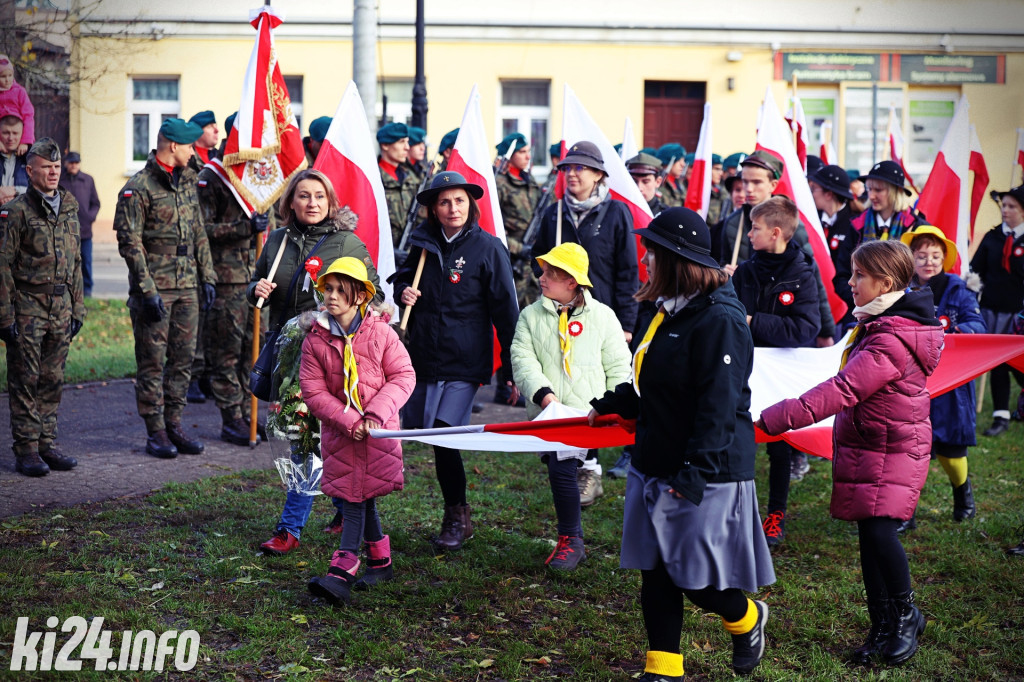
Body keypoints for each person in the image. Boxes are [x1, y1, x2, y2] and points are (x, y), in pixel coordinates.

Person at [589, 207, 774, 680]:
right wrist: (615, 403)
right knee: (656, 571)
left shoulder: (720, 321)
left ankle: (748, 618)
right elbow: (650, 377)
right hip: (655, 460)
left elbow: (717, 408)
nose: (645, 259)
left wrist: (692, 477)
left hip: (704, 471)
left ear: (675, 259)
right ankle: (664, 668)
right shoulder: (665, 308)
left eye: (652, 251)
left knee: (697, 580)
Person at [757, 240, 943, 667]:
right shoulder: (877, 324)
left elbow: (843, 389)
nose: (850, 282)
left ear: (887, 282)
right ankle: (881, 625)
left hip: (892, 447)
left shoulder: (891, 338)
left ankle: (906, 614)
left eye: (860, 275)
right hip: (871, 446)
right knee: (868, 536)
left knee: (880, 533)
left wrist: (779, 416)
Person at [249, 168, 384, 555]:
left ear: (331, 202)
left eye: (319, 197)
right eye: (304, 196)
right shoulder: (276, 240)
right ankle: (343, 509)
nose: (312, 203)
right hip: (288, 356)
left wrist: (329, 315)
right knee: (306, 438)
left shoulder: (345, 243)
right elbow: (259, 288)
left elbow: (372, 296)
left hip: (332, 357)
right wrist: (254, 289)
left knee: (308, 442)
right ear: (291, 201)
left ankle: (289, 528)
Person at [392, 171, 520, 551]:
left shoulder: (489, 248)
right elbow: (401, 279)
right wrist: (403, 291)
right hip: (423, 356)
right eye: (445, 202)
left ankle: (457, 516)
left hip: (465, 360)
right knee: (428, 437)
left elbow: (506, 312)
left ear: (471, 204)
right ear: (433, 208)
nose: (453, 208)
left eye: (460, 200)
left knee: (447, 435)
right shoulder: (422, 243)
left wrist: (511, 373)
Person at [530, 141, 640, 503]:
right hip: (560, 316)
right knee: (565, 385)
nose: (572, 174)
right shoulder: (553, 214)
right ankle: (569, 463)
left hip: (601, 318)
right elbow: (538, 263)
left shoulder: (617, 213)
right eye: (568, 168)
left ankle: (590, 469)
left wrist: (625, 322)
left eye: (581, 168)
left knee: (595, 389)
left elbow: (627, 273)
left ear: (598, 175)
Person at [510, 242, 631, 569]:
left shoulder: (603, 317)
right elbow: (523, 360)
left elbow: (619, 366)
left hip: (590, 416)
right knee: (558, 468)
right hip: (550, 412)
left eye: (552, 273)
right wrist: (545, 397)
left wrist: (609, 405)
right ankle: (574, 529)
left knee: (562, 470)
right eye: (543, 270)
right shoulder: (531, 316)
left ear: (572, 282)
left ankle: (571, 540)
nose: (542, 277)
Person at [303, 257, 415, 605]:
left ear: (360, 297)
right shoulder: (316, 339)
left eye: (341, 290)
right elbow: (313, 390)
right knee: (357, 494)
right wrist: (350, 421)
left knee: (355, 498)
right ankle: (380, 563)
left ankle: (342, 573)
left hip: (377, 434)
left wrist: (373, 415)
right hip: (342, 434)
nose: (332, 296)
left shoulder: (382, 334)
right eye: (328, 289)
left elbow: (403, 377)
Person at [114, 118, 217, 459]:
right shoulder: (138, 187)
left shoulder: (189, 179)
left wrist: (209, 277)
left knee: (183, 360)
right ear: (173, 146)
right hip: (155, 286)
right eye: (188, 145)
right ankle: (155, 430)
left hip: (188, 284)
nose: (194, 150)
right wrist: (147, 290)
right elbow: (130, 244)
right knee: (152, 362)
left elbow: (199, 231)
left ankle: (174, 423)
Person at [731, 196, 820, 548]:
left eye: (755, 228)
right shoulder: (748, 270)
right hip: (746, 366)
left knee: (780, 444)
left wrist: (755, 321)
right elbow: (731, 317)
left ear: (777, 232)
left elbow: (804, 329)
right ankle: (739, 510)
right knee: (740, 439)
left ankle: (776, 514)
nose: (750, 233)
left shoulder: (802, 273)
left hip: (782, 373)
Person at [0, 138, 85, 477]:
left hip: (61, 308)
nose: (53, 172)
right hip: (28, 307)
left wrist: (78, 308)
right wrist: (5, 314)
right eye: (46, 166)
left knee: (52, 378)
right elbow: (2, 265)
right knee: (25, 379)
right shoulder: (17, 211)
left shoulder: (69, 205)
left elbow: (76, 260)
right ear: (30, 169)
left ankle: (47, 442)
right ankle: (27, 449)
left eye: (56, 166)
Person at [899, 226, 985, 529]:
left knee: (950, 448)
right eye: (921, 255)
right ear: (910, 257)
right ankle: (904, 510)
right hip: (910, 380)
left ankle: (963, 492)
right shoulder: (900, 287)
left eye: (935, 256)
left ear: (945, 259)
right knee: (908, 447)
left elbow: (978, 324)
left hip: (951, 384)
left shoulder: (957, 289)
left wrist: (955, 333)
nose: (928, 262)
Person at [196, 133, 273, 446]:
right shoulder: (212, 177)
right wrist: (244, 228)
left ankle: (248, 413)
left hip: (255, 277)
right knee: (226, 353)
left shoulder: (255, 177)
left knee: (252, 352)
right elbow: (201, 228)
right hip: (226, 279)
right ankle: (231, 419)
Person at [720, 151, 836, 347]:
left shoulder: (790, 224)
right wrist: (723, 274)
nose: (748, 189)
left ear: (772, 185)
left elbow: (811, 274)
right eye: (745, 182)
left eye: (756, 182)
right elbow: (720, 261)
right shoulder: (732, 223)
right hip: (745, 327)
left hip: (782, 324)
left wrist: (826, 331)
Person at [969, 184, 1024, 437]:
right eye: (1004, 205)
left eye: (1012, 206)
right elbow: (975, 270)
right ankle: (1000, 415)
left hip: (1019, 314)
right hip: (992, 309)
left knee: (1017, 363)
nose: (1005, 210)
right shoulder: (992, 237)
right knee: (999, 363)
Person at [494, 132, 542, 308]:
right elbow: (492, 226)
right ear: (510, 154)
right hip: (512, 260)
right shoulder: (500, 183)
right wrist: (519, 249)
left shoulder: (530, 181)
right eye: (522, 152)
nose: (528, 156)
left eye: (528, 151)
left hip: (533, 261)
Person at [809, 164, 858, 334]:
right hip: (816, 300)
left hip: (843, 303)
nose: (811, 193)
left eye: (814, 189)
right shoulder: (812, 220)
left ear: (828, 194)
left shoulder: (854, 223)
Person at [58, 152, 101, 298]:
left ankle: (87, 290)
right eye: (71, 163)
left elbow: (96, 203)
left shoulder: (87, 180)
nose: (74, 165)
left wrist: (90, 217)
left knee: (86, 261)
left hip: (85, 231)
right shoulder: (59, 180)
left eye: (76, 163)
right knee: (67, 262)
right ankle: (68, 291)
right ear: (66, 163)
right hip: (65, 231)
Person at [852, 161, 925, 242]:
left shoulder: (916, 226)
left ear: (896, 192)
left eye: (878, 190)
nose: (871, 196)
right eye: (869, 189)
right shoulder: (857, 224)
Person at [377, 122, 418, 247]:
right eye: (401, 142)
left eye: (407, 142)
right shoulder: (374, 179)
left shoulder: (410, 177)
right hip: (382, 253)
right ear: (385, 145)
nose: (407, 147)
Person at [0, 55, 34, 153]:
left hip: (19, 139)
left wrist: (25, 141)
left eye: (10, 75)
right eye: (3, 76)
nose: (7, 79)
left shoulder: (20, 92)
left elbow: (28, 116)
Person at [626, 152, 667, 216]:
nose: (639, 188)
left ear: (658, 182)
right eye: (634, 181)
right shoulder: (620, 213)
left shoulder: (665, 214)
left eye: (645, 182)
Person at [0, 114, 28, 203]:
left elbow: (42, 189)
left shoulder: (31, 158)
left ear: (22, 134)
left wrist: (16, 192)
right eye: (6, 133)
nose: (10, 138)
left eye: (15, 133)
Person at [655, 143, 687, 208]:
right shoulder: (659, 184)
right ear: (668, 161)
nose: (683, 164)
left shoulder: (680, 183)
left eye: (683, 160)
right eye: (678, 160)